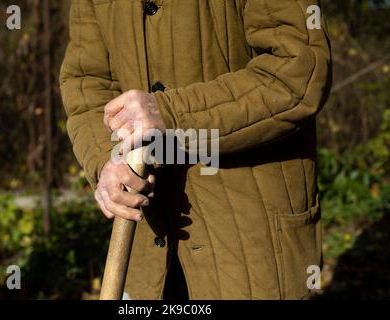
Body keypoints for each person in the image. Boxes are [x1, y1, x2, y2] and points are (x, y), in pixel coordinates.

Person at [60, 0, 332, 300]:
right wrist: (106, 159)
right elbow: (87, 83)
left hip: (250, 251)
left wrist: (171, 114)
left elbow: (298, 71)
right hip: (145, 256)